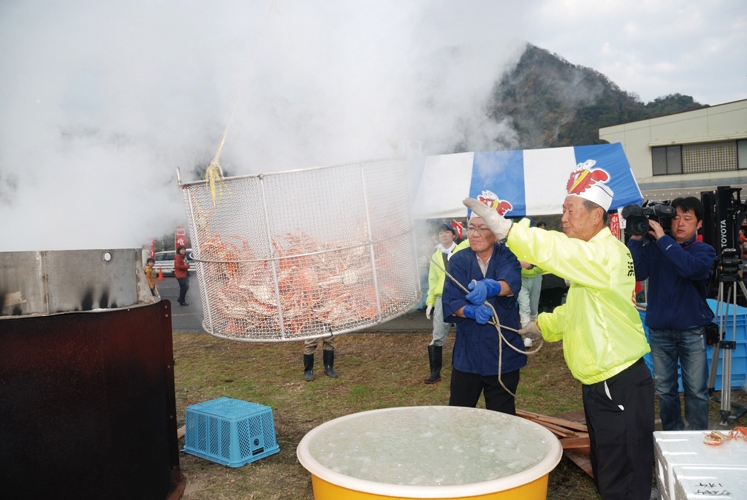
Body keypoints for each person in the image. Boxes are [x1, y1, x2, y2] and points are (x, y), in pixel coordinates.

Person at [465, 163, 654, 500]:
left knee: (622, 476)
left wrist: (510, 231)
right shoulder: (595, 259)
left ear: (596, 215)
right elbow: (580, 311)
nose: (563, 218)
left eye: (569, 210)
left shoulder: (606, 255)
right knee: (610, 468)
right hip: (604, 382)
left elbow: (558, 250)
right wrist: (542, 326)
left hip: (617, 382)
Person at [627, 197, 716, 431]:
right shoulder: (657, 247)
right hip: (659, 331)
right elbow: (637, 271)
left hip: (691, 329)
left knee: (696, 389)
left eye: (687, 219)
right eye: (675, 217)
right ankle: (673, 435)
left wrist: (664, 240)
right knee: (665, 389)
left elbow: (688, 268)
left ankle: (697, 436)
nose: (680, 224)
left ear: (698, 224)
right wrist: (637, 237)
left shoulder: (703, 250)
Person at [441, 205, 524, 415]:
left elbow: (510, 283)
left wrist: (492, 286)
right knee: (460, 414)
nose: (475, 234)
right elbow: (451, 300)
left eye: (482, 228)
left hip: (502, 354)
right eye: (471, 228)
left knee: (503, 417)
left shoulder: (507, 257)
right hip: (468, 353)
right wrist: (469, 312)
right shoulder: (458, 260)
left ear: (496, 234)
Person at [423, 223, 465, 384]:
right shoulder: (435, 255)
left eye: (447, 232)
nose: (443, 235)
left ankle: (463, 365)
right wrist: (430, 301)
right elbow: (433, 280)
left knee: (465, 331)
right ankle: (435, 372)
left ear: (453, 235)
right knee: (438, 333)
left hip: (460, 296)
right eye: (440, 232)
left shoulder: (462, 251)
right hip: (442, 297)